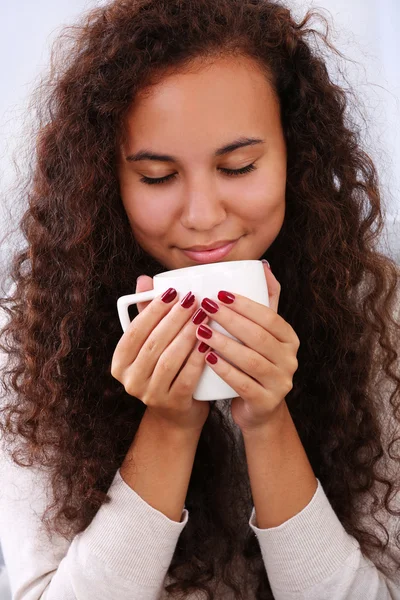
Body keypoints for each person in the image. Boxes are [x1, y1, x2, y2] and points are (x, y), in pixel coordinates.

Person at [0, 0, 399, 598]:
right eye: (158, 177)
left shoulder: (378, 312)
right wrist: (169, 422)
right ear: (105, 178)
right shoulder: (35, 334)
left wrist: (268, 422)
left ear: (296, 155)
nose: (204, 217)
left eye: (238, 167)